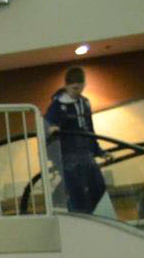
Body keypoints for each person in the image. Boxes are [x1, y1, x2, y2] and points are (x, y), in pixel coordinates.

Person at [44, 67, 106, 215]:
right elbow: (50, 128)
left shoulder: (85, 103)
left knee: (98, 187)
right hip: (68, 155)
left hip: (85, 153)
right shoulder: (57, 105)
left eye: (79, 88)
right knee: (76, 192)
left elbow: (89, 129)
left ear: (84, 85)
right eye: (74, 88)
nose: (77, 92)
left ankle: (89, 215)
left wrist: (98, 151)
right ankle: (79, 216)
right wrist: (53, 129)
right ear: (66, 86)